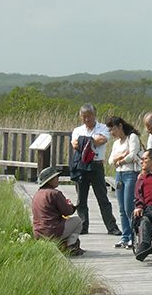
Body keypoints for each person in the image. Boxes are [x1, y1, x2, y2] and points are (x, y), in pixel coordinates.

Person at [71, 103, 121, 236]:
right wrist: (91, 140)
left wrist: (84, 141)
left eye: (89, 116)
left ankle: (112, 227)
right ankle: (83, 226)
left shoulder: (103, 128)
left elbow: (102, 140)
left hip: (96, 165)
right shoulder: (77, 130)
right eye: (84, 117)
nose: (87, 119)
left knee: (102, 197)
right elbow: (75, 144)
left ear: (94, 115)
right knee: (81, 198)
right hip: (81, 165)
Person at [31, 166, 84, 256]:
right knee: (78, 221)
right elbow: (67, 212)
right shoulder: (55, 193)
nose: (57, 179)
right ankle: (71, 246)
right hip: (52, 231)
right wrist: (71, 205)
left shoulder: (37, 194)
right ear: (50, 180)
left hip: (38, 232)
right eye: (56, 177)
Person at [106, 116, 142, 249]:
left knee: (129, 207)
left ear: (120, 126)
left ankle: (134, 236)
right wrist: (122, 157)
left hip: (131, 174)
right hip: (119, 175)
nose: (111, 133)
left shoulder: (132, 137)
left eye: (113, 129)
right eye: (109, 131)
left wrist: (119, 161)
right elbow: (110, 161)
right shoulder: (116, 143)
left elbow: (132, 155)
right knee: (121, 208)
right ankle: (125, 237)